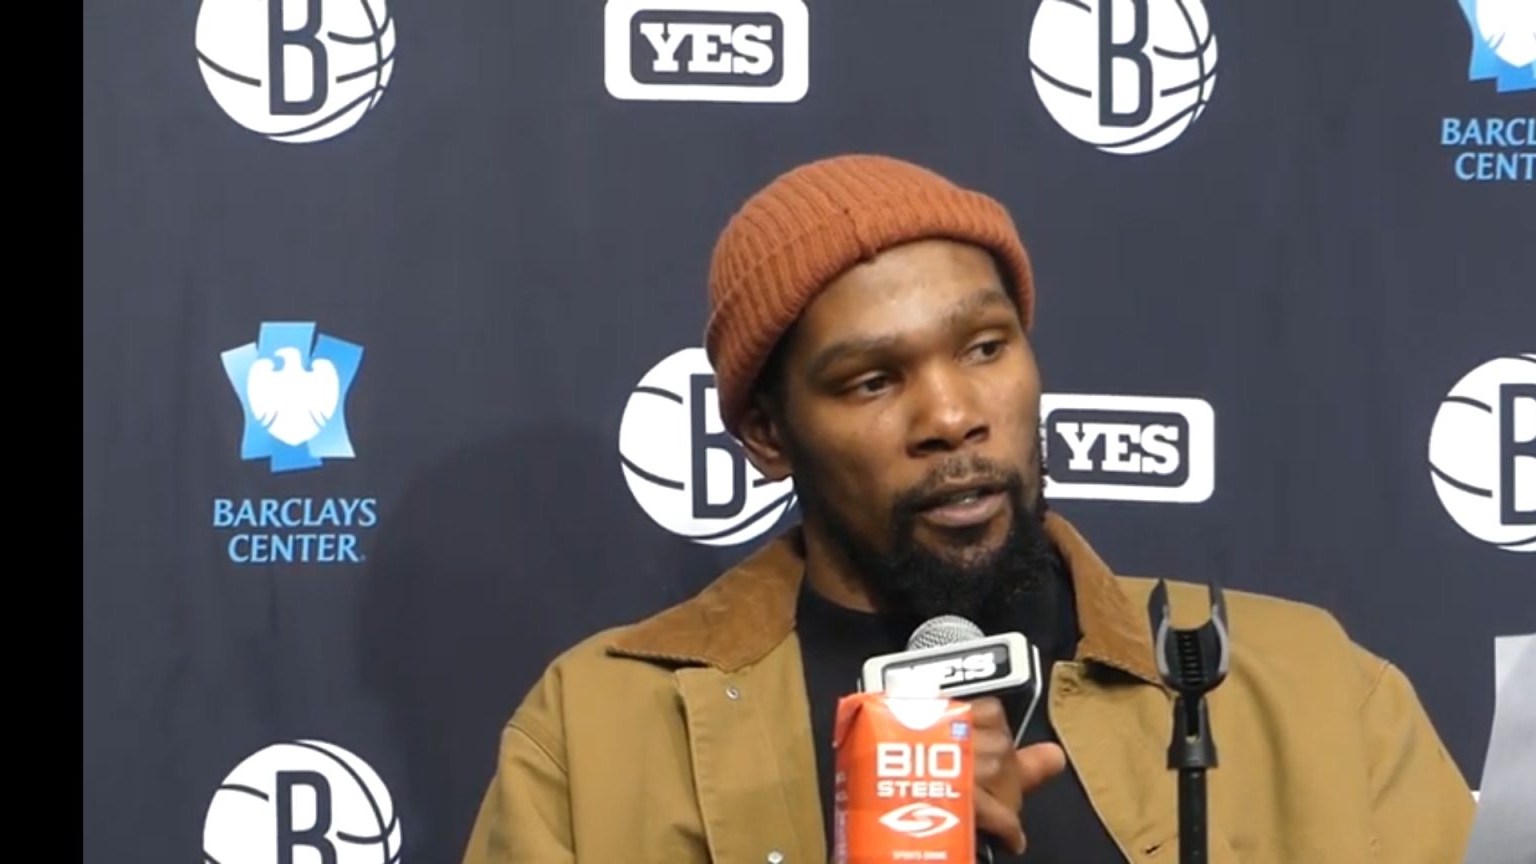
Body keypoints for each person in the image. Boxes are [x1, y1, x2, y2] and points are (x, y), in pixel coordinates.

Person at [461, 154, 1477, 863]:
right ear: (769, 435)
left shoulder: (1310, 692)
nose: (952, 416)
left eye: (985, 349)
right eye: (870, 381)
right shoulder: (596, 732)